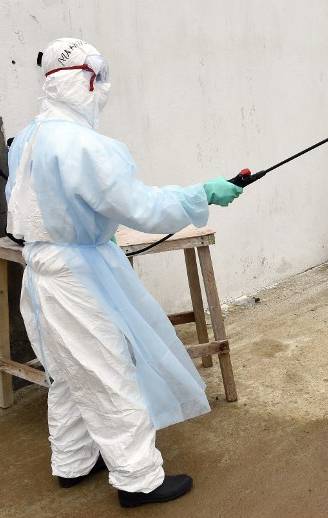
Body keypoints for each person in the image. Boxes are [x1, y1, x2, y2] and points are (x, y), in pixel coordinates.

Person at [5, 38, 243, 507]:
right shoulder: (85, 145)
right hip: (76, 278)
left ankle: (72, 463)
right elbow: (142, 207)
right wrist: (203, 194)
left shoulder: (27, 137)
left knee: (68, 373)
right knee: (109, 373)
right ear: (88, 81)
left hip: (42, 271)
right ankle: (138, 480)